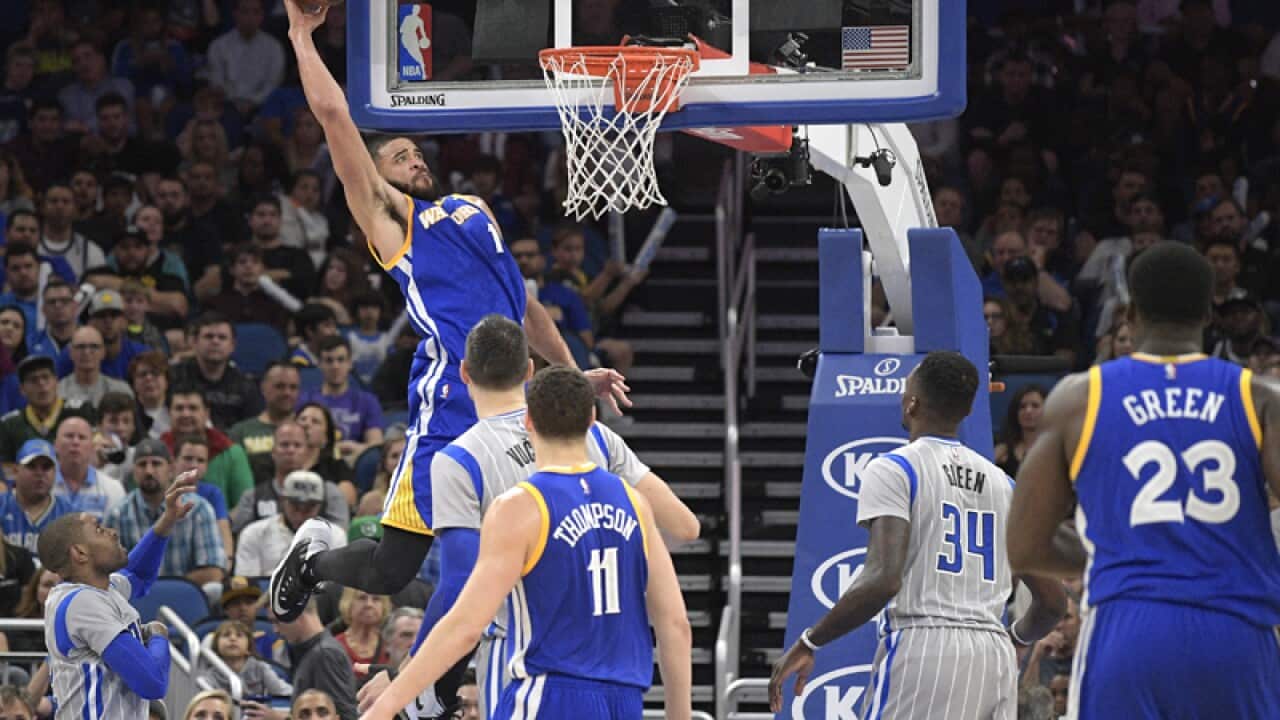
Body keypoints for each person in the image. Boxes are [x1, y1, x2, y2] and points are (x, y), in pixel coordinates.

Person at [272, 0, 626, 627]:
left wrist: (572, 372)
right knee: (392, 569)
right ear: (373, 178)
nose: (416, 160)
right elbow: (331, 114)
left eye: (417, 152)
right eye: (400, 156)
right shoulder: (389, 221)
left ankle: (454, 681)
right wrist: (302, 34)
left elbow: (527, 306)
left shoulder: (471, 207)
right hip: (452, 402)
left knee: (527, 543)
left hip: (518, 401)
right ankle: (312, 563)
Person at [353, 315, 698, 716]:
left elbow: (462, 612)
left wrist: (392, 697)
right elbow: (677, 614)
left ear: (530, 420)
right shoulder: (633, 502)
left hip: (536, 673)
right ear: (589, 420)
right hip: (623, 693)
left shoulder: (510, 499)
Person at [1007, 242, 1280, 718]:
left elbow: (1025, 544)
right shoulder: (1257, 397)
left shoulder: (1079, 397)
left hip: (1131, 628)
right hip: (1237, 630)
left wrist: (1111, 546)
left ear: (1129, 312)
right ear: (1208, 313)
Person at [769, 351, 1066, 717]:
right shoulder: (1005, 484)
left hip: (926, 644)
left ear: (911, 404)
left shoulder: (895, 468)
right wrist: (1017, 639)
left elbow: (883, 579)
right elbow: (1053, 602)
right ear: (967, 411)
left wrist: (810, 640)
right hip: (993, 653)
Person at [37, 470, 198, 718]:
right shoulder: (82, 604)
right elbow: (151, 682)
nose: (112, 532)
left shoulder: (98, 589)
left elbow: (140, 575)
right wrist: (158, 635)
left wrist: (167, 519)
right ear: (79, 553)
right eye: (99, 530)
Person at [105, 438, 227, 587]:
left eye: (156, 463)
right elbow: (107, 571)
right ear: (134, 471)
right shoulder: (117, 514)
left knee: (214, 588)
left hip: (185, 598)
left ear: (171, 468)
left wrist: (163, 590)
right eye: (142, 464)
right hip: (134, 601)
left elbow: (213, 572)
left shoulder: (198, 509)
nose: (149, 471)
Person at [235, 470, 348, 576]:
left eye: (309, 507)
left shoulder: (335, 536)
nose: (300, 514)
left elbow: (336, 587)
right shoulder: (254, 533)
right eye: (295, 505)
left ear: (321, 506)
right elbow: (248, 585)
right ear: (282, 500)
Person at [169, 312, 265, 429]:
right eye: (209, 336)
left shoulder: (246, 387)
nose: (215, 341)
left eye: (222, 337)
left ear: (232, 345)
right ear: (194, 342)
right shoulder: (172, 377)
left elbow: (253, 430)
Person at [297, 335, 384, 460]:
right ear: (319, 364)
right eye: (329, 360)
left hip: (354, 460)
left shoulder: (367, 401)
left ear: (350, 363)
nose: (335, 366)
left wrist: (355, 448)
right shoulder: (306, 400)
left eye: (341, 360)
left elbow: (376, 445)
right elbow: (299, 442)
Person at [273, 601, 358, 720]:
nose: (275, 630)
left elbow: (345, 716)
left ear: (296, 614)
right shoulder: (316, 652)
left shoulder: (325, 654)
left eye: (277, 621)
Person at [0, 439, 72, 553]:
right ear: (15, 471)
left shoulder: (68, 515)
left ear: (55, 472)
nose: (40, 473)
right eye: (31, 466)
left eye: (46, 467)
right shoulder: (2, 505)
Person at [53, 416, 126, 519]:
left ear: (92, 446)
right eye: (69, 436)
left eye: (82, 437)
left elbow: (115, 532)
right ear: (55, 444)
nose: (75, 442)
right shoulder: (42, 486)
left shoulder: (113, 488)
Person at [198, 621, 293, 698]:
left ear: (248, 648)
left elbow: (281, 689)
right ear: (216, 647)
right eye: (226, 635)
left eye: (239, 635)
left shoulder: (260, 667)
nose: (232, 638)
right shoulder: (210, 675)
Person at [332, 588, 390, 681]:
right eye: (362, 598)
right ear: (348, 603)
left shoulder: (389, 647)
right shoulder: (334, 648)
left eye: (376, 599)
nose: (369, 604)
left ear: (384, 606)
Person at [993, 385, 1047, 478]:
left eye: (1035, 406)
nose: (1028, 411)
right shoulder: (1002, 451)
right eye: (1022, 406)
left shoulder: (1056, 450)